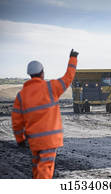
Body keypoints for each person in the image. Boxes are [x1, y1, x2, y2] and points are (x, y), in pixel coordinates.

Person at [11, 49, 79, 179]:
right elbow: (68, 77)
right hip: (49, 140)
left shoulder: (22, 95)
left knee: (38, 167)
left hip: (33, 141)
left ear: (30, 75)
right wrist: (73, 58)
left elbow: (16, 121)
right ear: (42, 73)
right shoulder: (51, 87)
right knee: (45, 170)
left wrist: (20, 140)